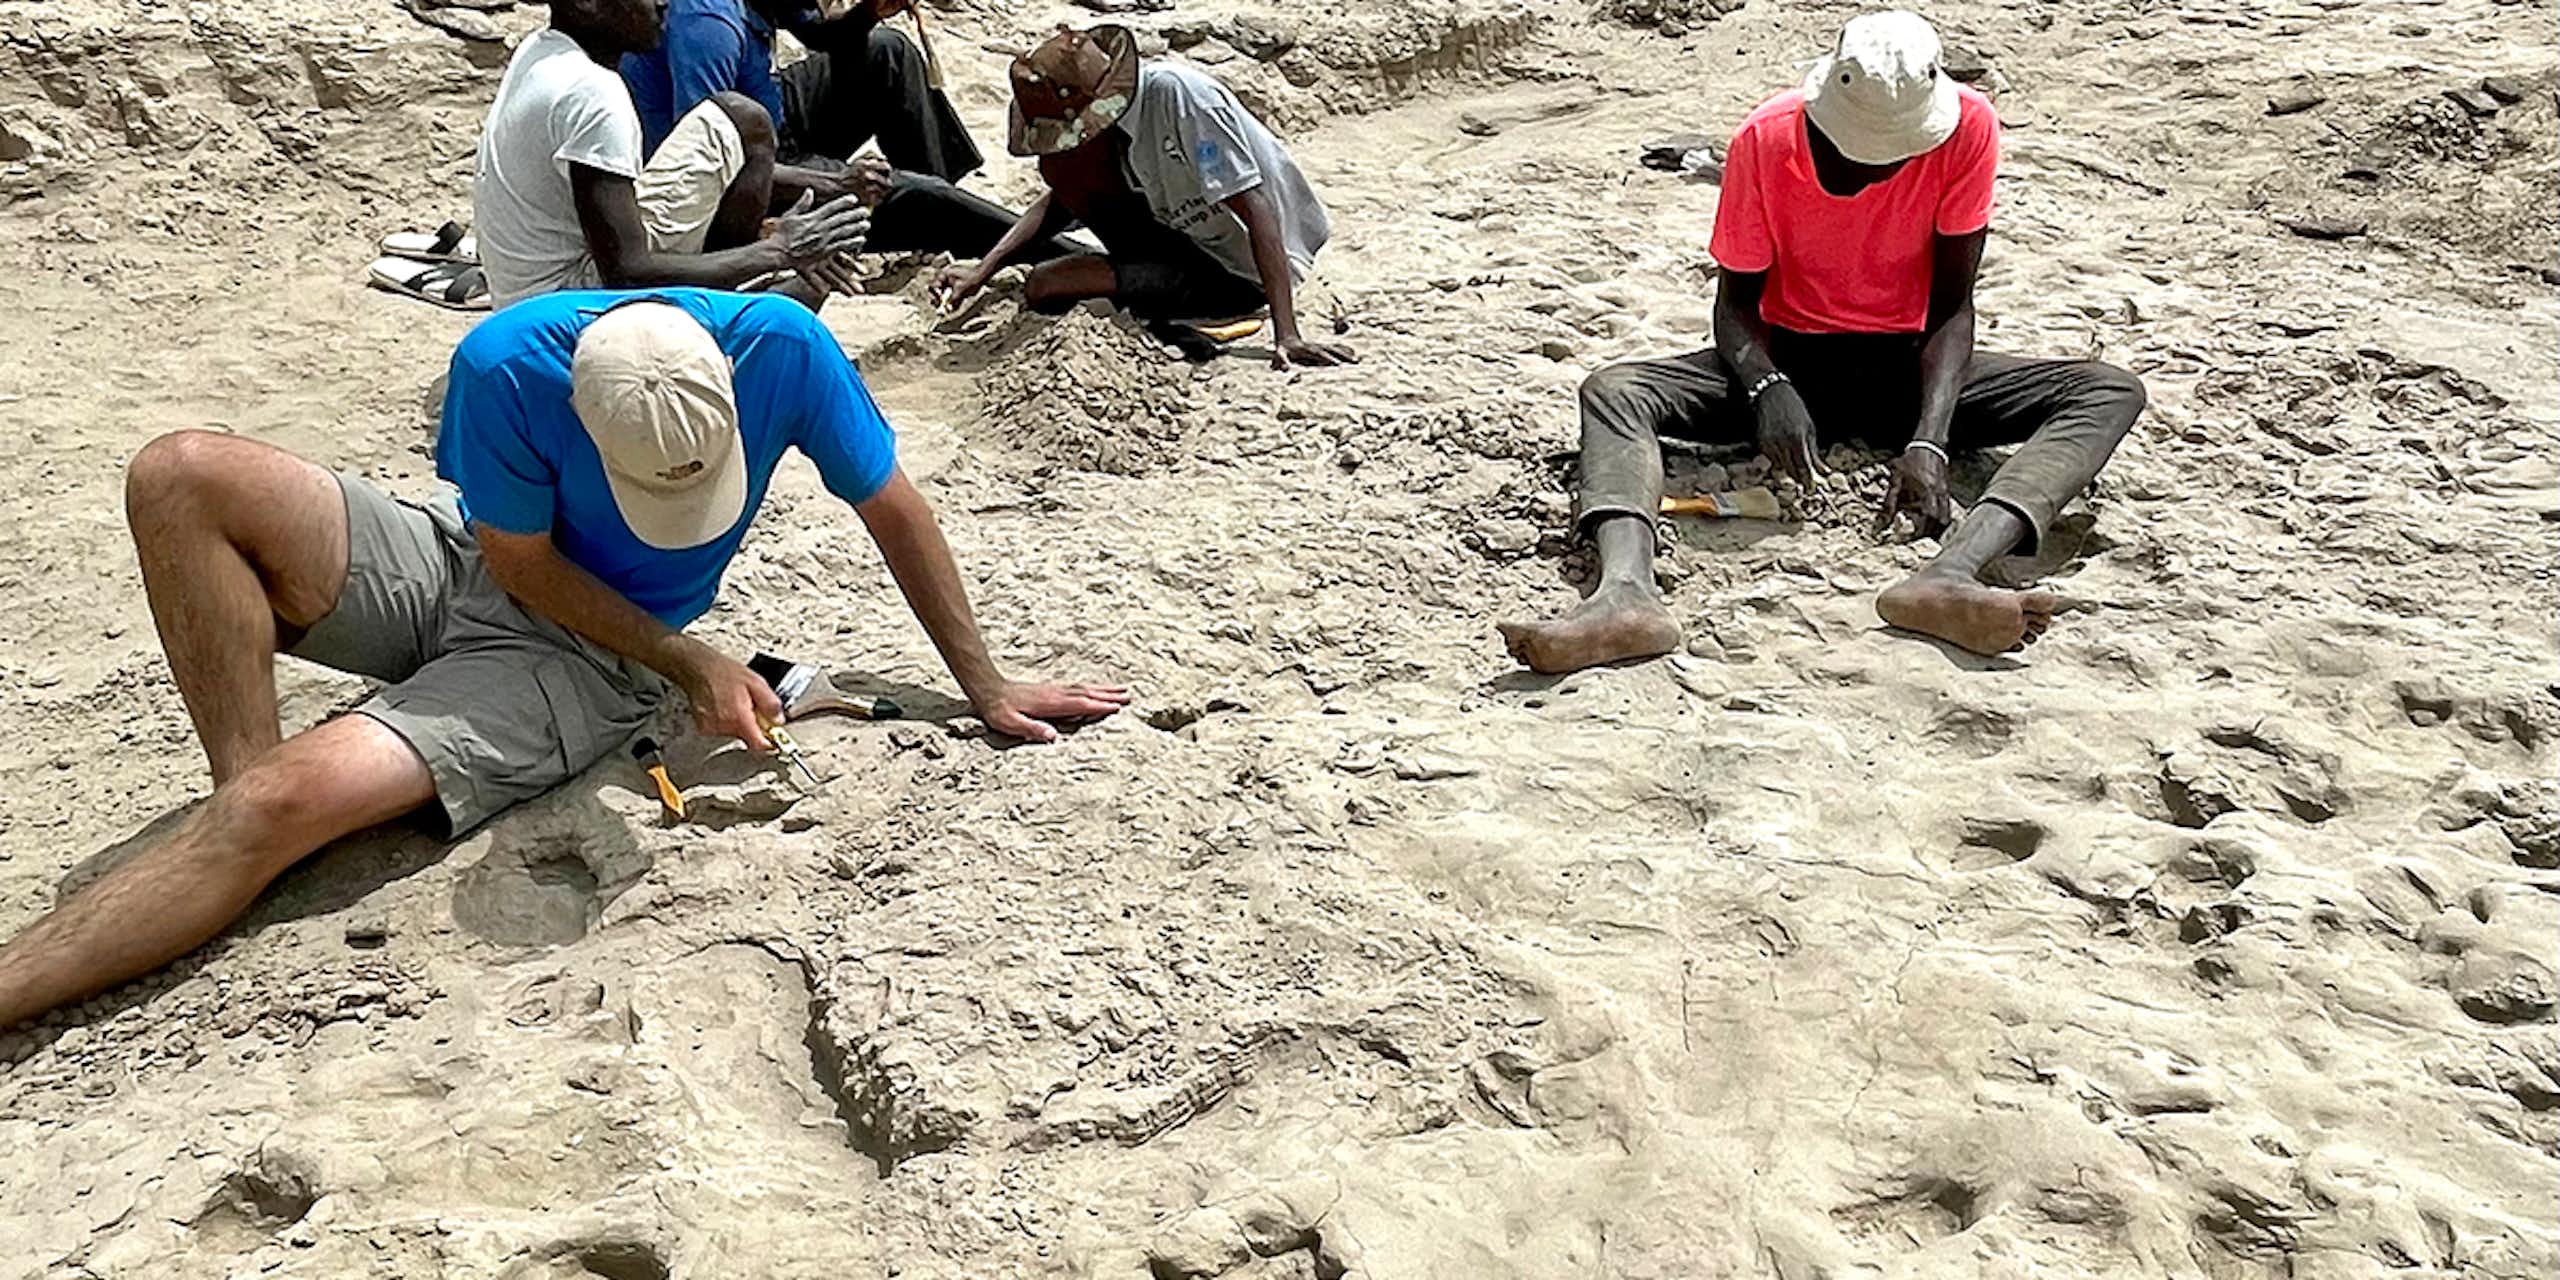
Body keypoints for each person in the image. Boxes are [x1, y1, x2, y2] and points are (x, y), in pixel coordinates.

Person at [0, 291, 1131, 1031]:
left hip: (593, 663)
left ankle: (249, 828)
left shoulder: (781, 347)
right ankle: (243, 818)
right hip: (487, 570)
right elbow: (520, 563)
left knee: (280, 801)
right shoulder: (503, 363)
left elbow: (892, 504)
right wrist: (690, 653)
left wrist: (985, 684)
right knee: (180, 472)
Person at [1498, 9, 2146, 672]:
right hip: (1789, 363)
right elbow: (1735, 305)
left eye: (1896, 152)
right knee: (1616, 391)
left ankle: (1954, 569)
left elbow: (1952, 305)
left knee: (2108, 390)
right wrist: (1768, 386)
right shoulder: (1765, 138)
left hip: (1909, 370)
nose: (1876, 168)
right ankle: (1624, 595)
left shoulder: (1968, 128)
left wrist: (1930, 440)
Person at [935, 25, 1355, 368]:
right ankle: (1132, 275)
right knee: (1059, 170)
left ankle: (1153, 288)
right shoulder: (1119, 130)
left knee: (1045, 284)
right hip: (1184, 233)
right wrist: (983, 269)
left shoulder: (1180, 101)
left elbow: (1256, 206)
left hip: (1240, 270)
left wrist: (1288, 333)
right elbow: (1060, 197)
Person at [618, 0, 1082, 265]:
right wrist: (836, 183)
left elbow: (821, 35)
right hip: (736, 178)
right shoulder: (709, 25)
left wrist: (870, 12)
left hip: (769, 116)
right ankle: (1056, 252)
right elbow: (710, 162)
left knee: (887, 51)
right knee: (922, 197)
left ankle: (948, 224)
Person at [473, 0, 871, 308]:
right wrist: (777, 252)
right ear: (586, 4)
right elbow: (626, 273)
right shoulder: (592, 91)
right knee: (843, 242)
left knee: (742, 120)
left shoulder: (541, 50)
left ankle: (727, 298)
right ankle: (724, 316)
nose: (664, 3)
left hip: (527, 293)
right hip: (563, 305)